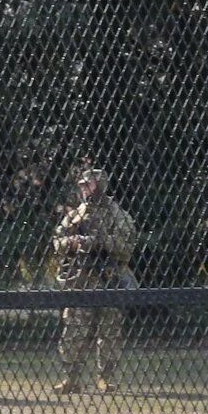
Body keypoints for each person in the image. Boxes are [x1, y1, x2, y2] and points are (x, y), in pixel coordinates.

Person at [52, 166, 138, 395]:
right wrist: (70, 244)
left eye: (88, 185)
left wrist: (98, 242)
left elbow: (126, 247)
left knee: (109, 330)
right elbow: (57, 240)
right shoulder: (75, 214)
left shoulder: (117, 215)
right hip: (81, 280)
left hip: (108, 279)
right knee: (73, 329)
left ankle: (105, 377)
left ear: (100, 186)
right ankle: (71, 377)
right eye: (82, 185)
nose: (84, 189)